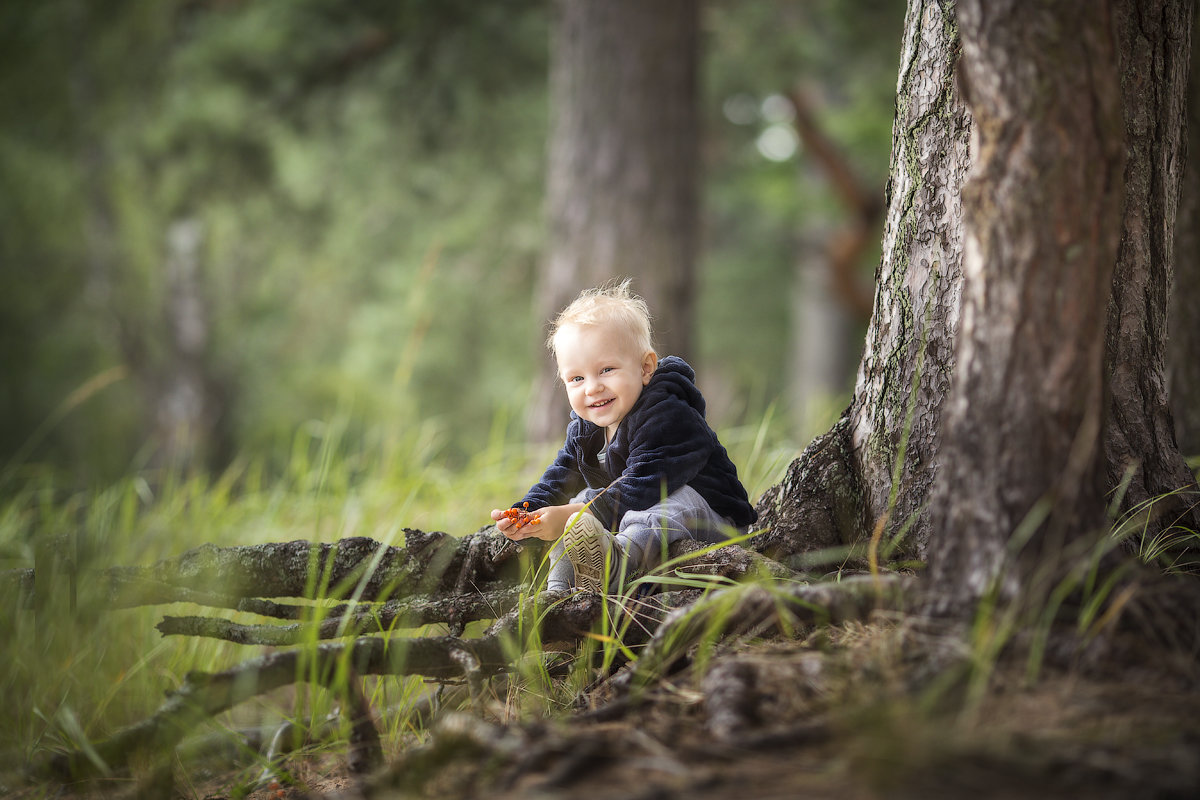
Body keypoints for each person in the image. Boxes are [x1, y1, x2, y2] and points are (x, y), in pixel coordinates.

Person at [490, 279, 757, 593]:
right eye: (577, 378)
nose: (592, 387)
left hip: (712, 517)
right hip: (641, 507)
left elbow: (645, 486)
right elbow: (560, 475)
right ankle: (560, 591)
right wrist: (527, 512)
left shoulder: (667, 414)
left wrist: (569, 516)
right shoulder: (585, 427)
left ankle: (618, 570)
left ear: (645, 368)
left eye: (606, 370)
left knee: (653, 512)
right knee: (579, 504)